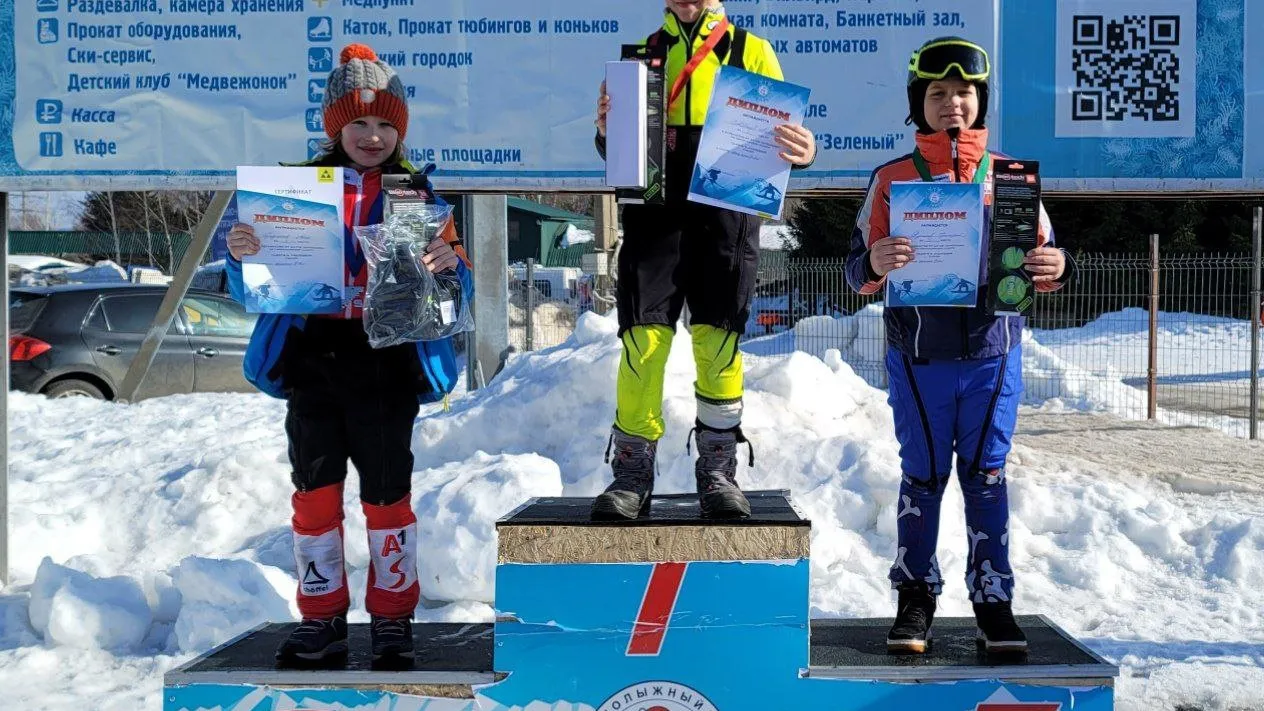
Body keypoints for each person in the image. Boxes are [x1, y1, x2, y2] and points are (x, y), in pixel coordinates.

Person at [223, 43, 472, 664]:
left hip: (385, 360)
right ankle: (323, 618)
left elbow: (452, 285)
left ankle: (392, 620)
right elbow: (245, 279)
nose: (372, 135)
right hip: (314, 356)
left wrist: (451, 266)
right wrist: (242, 249)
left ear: (401, 130)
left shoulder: (415, 192)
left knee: (388, 493)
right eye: (358, 122)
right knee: (315, 491)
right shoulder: (296, 190)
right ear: (335, 125)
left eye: (386, 123)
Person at [845, 37, 1075, 656]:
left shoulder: (1010, 178)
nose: (952, 104)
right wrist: (873, 259)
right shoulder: (891, 180)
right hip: (918, 359)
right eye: (938, 93)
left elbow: (1047, 257)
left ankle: (993, 600)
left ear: (981, 101)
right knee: (921, 478)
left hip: (993, 356)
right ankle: (915, 597)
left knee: (987, 477)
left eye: (964, 93)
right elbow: (854, 270)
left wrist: (1055, 264)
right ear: (919, 102)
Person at [591, 0, 817, 520]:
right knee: (643, 340)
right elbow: (620, 153)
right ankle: (631, 472)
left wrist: (803, 149)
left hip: (726, 218)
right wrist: (608, 131)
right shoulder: (644, 57)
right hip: (655, 219)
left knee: (718, 343)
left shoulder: (751, 51)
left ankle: (717, 471)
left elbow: (784, 139)